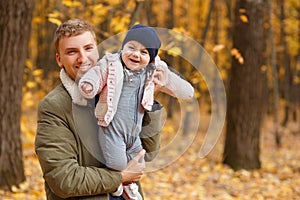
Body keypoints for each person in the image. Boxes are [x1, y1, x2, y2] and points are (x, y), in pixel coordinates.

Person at [35, 19, 164, 200]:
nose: (83, 58)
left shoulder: (118, 87)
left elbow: (148, 152)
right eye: (72, 52)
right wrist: (121, 177)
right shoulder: (54, 106)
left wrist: (149, 99)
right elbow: (64, 179)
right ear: (59, 59)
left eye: (88, 48)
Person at [78, 24, 194, 199]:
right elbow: (97, 74)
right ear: (123, 47)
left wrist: (180, 90)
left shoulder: (154, 70)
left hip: (134, 132)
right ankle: (116, 183)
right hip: (112, 128)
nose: (135, 54)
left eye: (143, 52)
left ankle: (128, 185)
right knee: (116, 162)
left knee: (138, 162)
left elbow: (183, 90)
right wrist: (89, 85)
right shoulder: (111, 64)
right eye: (131, 48)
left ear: (152, 57)